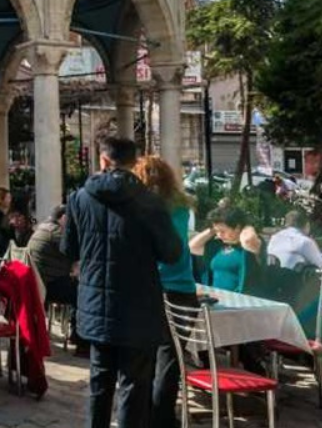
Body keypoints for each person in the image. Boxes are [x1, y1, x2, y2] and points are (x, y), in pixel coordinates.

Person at [64, 137, 182, 428]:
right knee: (135, 385)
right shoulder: (151, 202)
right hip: (139, 306)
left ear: (103, 160)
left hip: (96, 303)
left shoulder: (79, 198)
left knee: (99, 379)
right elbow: (171, 253)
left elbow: (69, 249)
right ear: (134, 163)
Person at [133, 154, 198, 428]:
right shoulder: (182, 208)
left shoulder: (139, 209)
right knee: (170, 360)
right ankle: (162, 418)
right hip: (181, 289)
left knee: (145, 357)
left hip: (148, 288)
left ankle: (144, 413)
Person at [189, 206, 264, 293]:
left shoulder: (253, 245)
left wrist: (246, 226)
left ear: (237, 227)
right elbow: (192, 247)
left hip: (242, 301)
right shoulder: (217, 246)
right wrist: (212, 230)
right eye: (217, 231)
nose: (219, 235)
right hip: (216, 299)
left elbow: (248, 240)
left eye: (223, 231)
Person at [26, 205, 76, 306]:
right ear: (64, 218)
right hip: (48, 286)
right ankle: (77, 321)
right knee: (85, 292)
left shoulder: (42, 227)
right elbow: (74, 252)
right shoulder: (56, 231)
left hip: (37, 283)